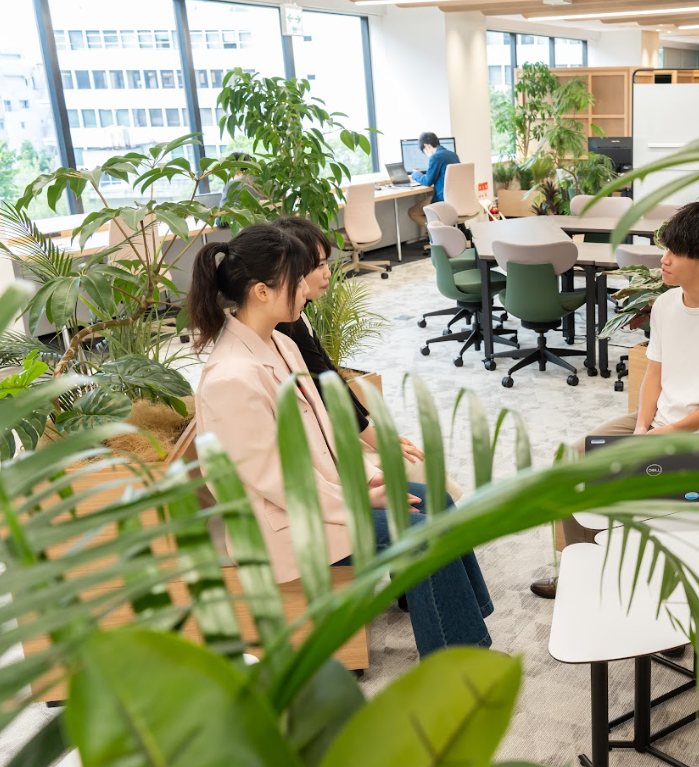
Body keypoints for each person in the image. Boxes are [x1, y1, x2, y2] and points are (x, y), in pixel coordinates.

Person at [187, 223, 492, 656]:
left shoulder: (278, 342)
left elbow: (324, 436)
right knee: (420, 532)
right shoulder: (230, 378)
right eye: (297, 279)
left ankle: (467, 630)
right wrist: (362, 501)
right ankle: (455, 659)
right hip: (285, 523)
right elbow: (276, 481)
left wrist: (366, 481)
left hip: (320, 499)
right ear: (261, 292)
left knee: (435, 500)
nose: (307, 288)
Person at [529, 202, 699, 599]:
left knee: (639, 485)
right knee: (571, 457)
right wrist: (641, 428)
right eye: (665, 249)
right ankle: (581, 566)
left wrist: (664, 432)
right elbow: (654, 374)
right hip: (657, 423)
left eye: (674, 253)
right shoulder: (668, 304)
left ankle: (666, 604)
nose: (664, 259)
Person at [268, 216, 464, 500]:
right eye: (319, 265)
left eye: (326, 263)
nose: (327, 273)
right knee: (412, 463)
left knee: (408, 455)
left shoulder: (297, 315)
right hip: (316, 442)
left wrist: (370, 424)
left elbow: (329, 375)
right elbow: (325, 389)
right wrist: (377, 439)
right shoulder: (288, 325)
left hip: (325, 426)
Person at [406, 132, 461, 230]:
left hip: (443, 199)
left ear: (426, 146)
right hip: (456, 198)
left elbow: (428, 181)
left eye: (424, 151)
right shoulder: (453, 155)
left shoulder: (435, 157)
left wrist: (415, 174)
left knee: (413, 212)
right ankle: (440, 233)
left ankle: (439, 232)